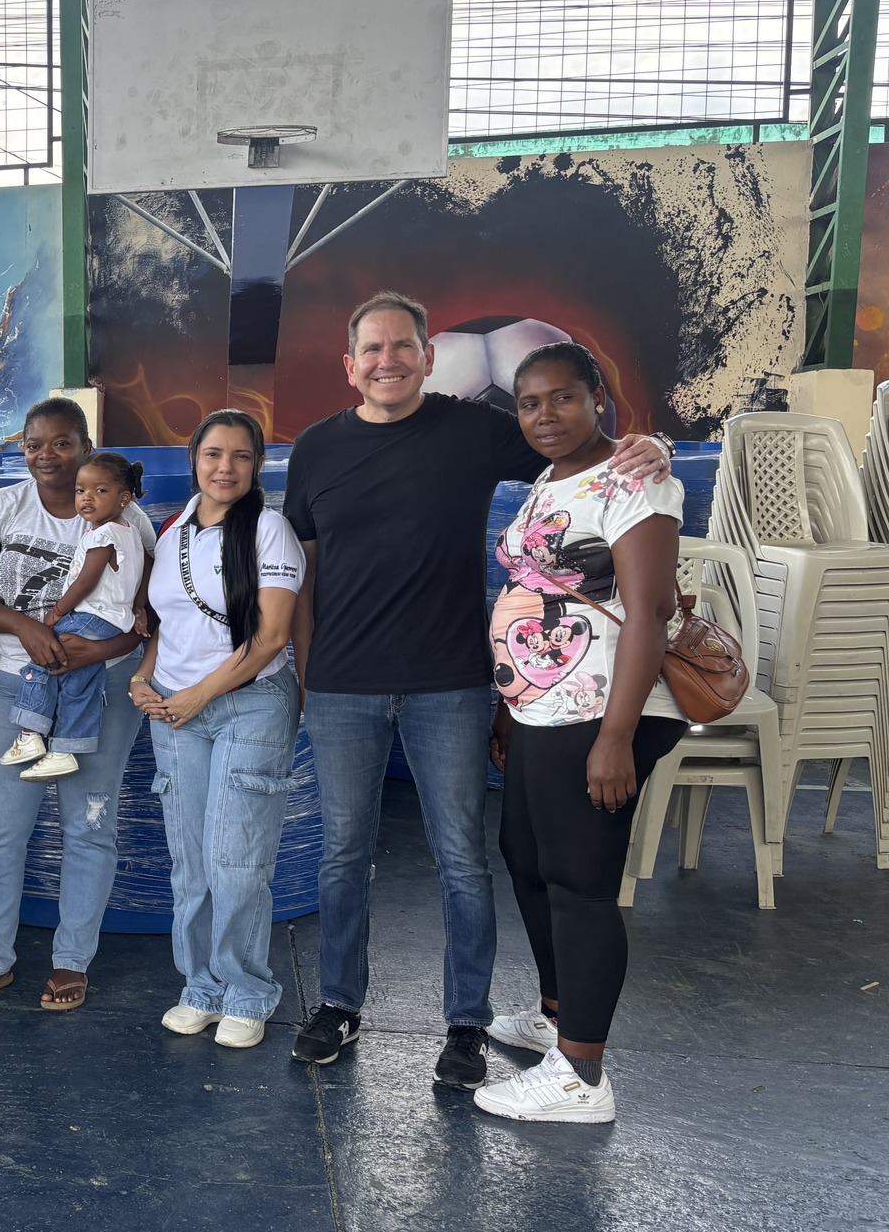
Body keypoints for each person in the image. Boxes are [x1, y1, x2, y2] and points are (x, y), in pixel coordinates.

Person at [285, 290, 671, 1088]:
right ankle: (338, 1005)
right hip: (344, 687)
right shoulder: (317, 449)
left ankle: (466, 1022)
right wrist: (307, 676)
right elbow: (306, 576)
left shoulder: (473, 429)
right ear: (350, 365)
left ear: (429, 358)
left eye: (403, 346)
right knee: (342, 854)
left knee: (461, 857)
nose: (388, 361)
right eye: (372, 349)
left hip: (450, 685)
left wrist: (651, 446)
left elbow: (580, 455)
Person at [477, 343, 685, 1123]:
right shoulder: (549, 481)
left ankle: (582, 1076)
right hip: (542, 707)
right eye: (530, 403)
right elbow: (535, 590)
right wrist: (510, 704)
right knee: (525, 856)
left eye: (562, 397)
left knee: (579, 881)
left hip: (600, 711)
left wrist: (617, 736)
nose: (544, 415)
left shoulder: (637, 480)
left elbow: (651, 611)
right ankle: (557, 1014)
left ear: (598, 397)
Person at [0, 399, 156, 1012]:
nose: (46, 455)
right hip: (14, 684)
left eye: (62, 443)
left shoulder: (127, 518)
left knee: (89, 826)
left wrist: (100, 651)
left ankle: (72, 961)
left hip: (100, 690)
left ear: (87, 446)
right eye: (34, 444)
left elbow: (146, 614)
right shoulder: (0, 505)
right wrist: (27, 628)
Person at [133, 411, 304, 1049]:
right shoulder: (174, 527)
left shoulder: (269, 530)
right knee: (190, 862)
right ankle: (200, 988)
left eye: (239, 456)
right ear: (194, 459)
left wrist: (197, 696)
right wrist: (144, 677)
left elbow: (272, 637)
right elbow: (166, 623)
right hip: (177, 710)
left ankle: (247, 991)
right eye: (212, 454)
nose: (224, 467)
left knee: (236, 862)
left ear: (256, 465)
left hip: (247, 704)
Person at [2, 451, 149, 782]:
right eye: (81, 490)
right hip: (113, 621)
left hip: (90, 615)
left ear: (124, 498)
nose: (87, 498)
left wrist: (56, 612)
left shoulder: (103, 535)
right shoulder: (130, 532)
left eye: (100, 490)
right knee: (81, 682)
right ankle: (64, 751)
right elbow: (144, 573)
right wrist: (138, 608)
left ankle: (29, 734)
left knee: (43, 661)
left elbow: (85, 582)